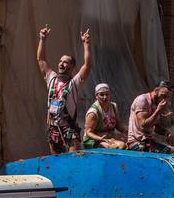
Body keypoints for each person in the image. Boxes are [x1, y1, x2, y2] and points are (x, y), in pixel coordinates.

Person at [38, 26, 93, 154]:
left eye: (65, 62)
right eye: (60, 61)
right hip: (53, 129)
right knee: (55, 163)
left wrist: (86, 44)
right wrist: (42, 39)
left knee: (72, 161)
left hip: (68, 129)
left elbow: (87, 65)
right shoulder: (51, 78)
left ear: (72, 66)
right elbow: (41, 59)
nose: (61, 64)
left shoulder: (74, 83)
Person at [127, 80, 174, 153]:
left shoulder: (156, 103)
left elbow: (155, 127)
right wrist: (158, 111)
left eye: (167, 97)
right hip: (137, 143)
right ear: (156, 90)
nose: (165, 100)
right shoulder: (142, 100)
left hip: (149, 141)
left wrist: (167, 134)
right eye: (163, 96)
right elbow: (143, 125)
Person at [83, 83, 127, 149]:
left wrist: (125, 131)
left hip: (109, 136)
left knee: (130, 142)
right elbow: (89, 132)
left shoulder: (113, 106)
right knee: (120, 146)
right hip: (94, 140)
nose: (105, 97)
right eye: (101, 94)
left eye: (107, 94)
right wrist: (101, 139)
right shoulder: (93, 113)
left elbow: (117, 124)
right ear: (96, 96)